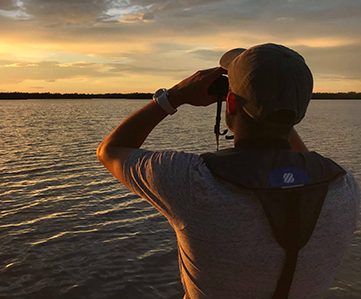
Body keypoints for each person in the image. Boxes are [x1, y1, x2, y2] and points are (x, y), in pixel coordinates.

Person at [96, 43, 359, 299]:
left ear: (230, 102)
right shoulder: (344, 185)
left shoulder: (192, 181)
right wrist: (278, 110)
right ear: (300, 112)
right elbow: (299, 161)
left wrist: (174, 96)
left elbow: (111, 150)